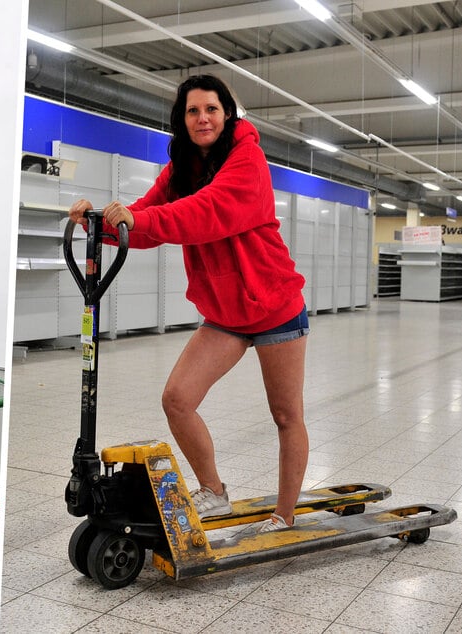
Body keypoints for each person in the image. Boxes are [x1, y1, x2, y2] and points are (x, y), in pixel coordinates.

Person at [69, 74, 308, 532]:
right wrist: (98, 223)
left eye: (212, 109)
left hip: (274, 301)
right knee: (177, 399)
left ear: (227, 115)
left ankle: (285, 514)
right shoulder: (180, 167)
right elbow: (145, 222)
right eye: (193, 111)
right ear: (182, 118)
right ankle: (214, 492)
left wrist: (141, 217)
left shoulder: (247, 158)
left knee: (285, 415)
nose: (202, 118)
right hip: (225, 312)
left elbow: (208, 212)